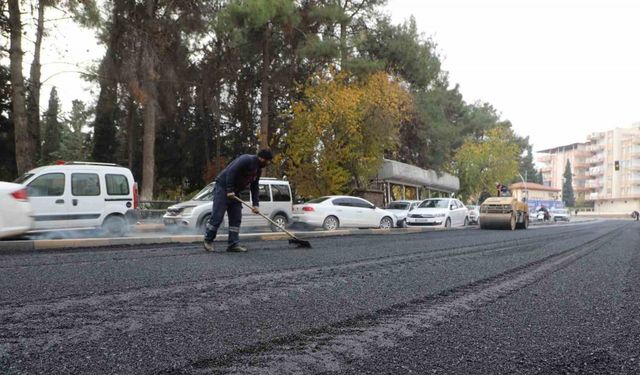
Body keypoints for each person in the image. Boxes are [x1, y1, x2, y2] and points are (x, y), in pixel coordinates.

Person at [203, 149, 274, 252]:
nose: (269, 163)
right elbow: (231, 171)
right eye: (268, 161)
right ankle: (208, 240)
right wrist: (229, 189)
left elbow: (255, 186)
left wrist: (256, 204)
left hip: (235, 191)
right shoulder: (246, 159)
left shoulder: (258, 169)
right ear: (262, 158)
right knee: (217, 216)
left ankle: (233, 244)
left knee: (236, 216)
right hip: (223, 187)